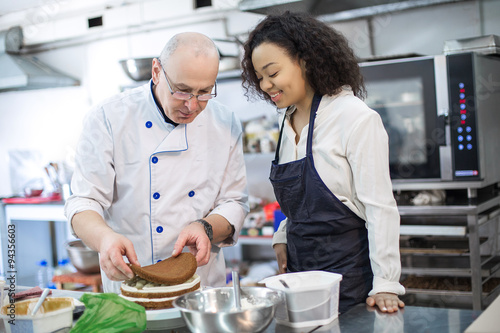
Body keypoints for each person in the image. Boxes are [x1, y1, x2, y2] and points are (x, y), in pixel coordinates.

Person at [241, 12, 405, 314]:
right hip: (299, 279)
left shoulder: (354, 118)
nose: (265, 85)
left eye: (272, 73)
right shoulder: (285, 120)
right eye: (259, 77)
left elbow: (380, 209)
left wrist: (386, 284)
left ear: (305, 60)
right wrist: (282, 235)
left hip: (349, 281)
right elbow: (301, 201)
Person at [65, 32, 249, 293]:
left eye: (205, 92)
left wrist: (206, 227)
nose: (193, 105)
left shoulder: (224, 122)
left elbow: (234, 202)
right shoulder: (108, 118)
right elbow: (83, 201)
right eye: (182, 91)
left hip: (200, 289)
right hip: (130, 283)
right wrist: (104, 239)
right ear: (156, 71)